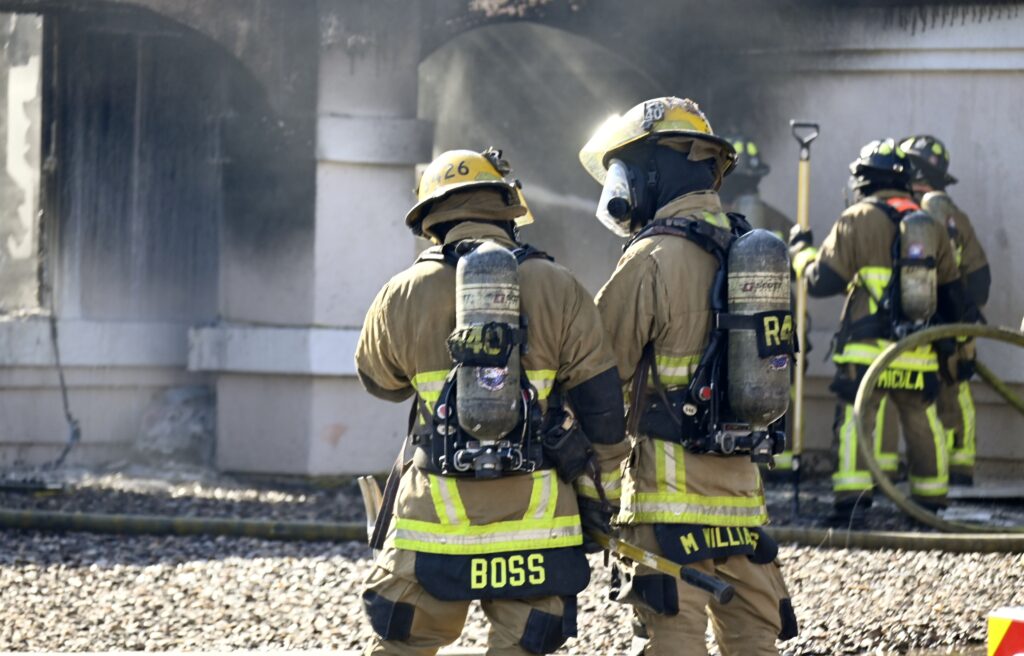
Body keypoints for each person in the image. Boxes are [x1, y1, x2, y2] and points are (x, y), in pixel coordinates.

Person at [356, 147, 628, 655]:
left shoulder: (403, 291)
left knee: (403, 640)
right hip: (538, 526)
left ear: (432, 220)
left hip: (433, 523)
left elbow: (379, 381)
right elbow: (602, 408)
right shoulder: (559, 285)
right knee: (524, 644)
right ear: (508, 211)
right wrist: (608, 499)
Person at [582, 97, 797, 656]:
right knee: (755, 640)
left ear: (650, 174)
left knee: (673, 638)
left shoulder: (651, 257)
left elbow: (598, 374)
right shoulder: (752, 251)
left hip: (669, 501)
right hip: (743, 501)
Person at [790, 138, 970, 524]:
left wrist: (800, 254)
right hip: (916, 349)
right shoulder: (930, 224)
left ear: (864, 180)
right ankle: (930, 502)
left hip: (866, 350)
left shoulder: (856, 218)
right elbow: (954, 295)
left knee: (857, 419)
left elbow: (822, 281)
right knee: (921, 420)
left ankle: (852, 505)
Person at [900, 135, 990, 486]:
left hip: (928, 317)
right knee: (956, 388)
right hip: (957, 317)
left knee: (930, 394)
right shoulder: (956, 215)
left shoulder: (917, 214)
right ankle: (959, 466)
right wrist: (964, 314)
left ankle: (939, 470)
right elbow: (981, 279)